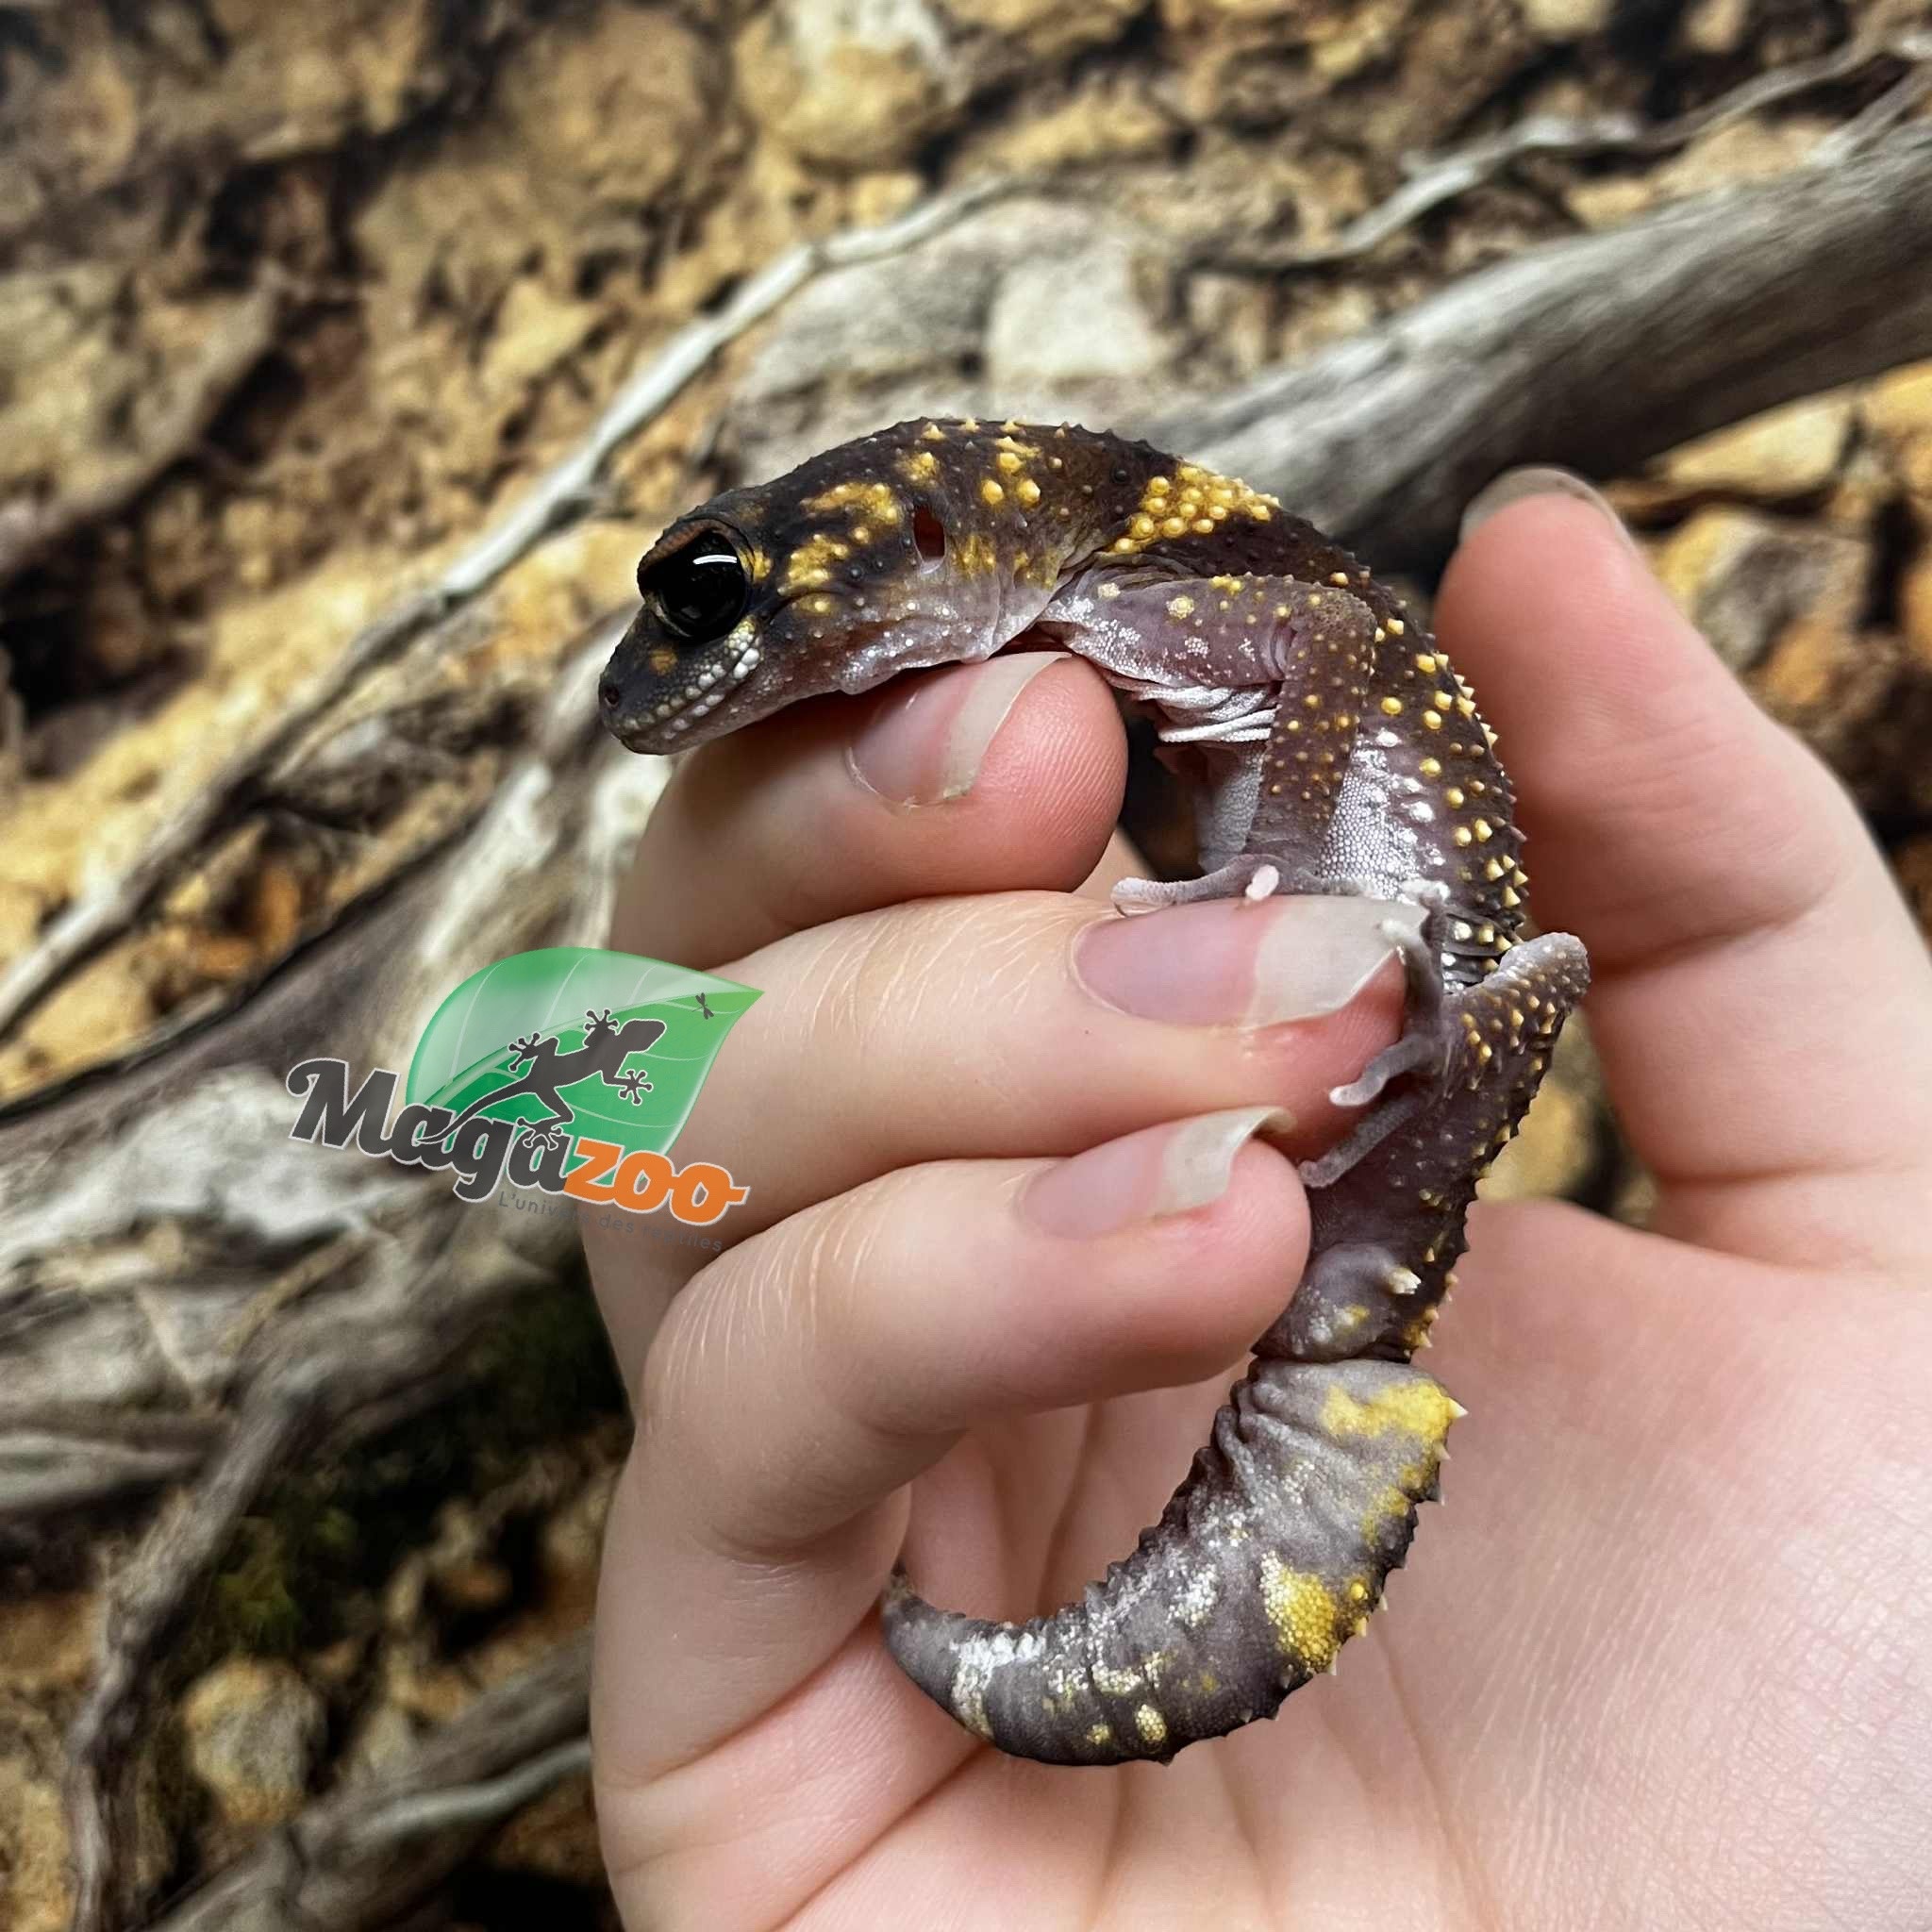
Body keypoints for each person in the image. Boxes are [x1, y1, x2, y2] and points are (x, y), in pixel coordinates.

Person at [579, 475, 1932, 1927]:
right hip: (1345, 1190)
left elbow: (1333, 646)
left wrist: (1268, 876)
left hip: (1431, 1049)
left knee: (1521, 971)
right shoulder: (1101, 624)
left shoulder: (1149, 593)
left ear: (918, 533)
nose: (668, 665)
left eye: (712, 594)